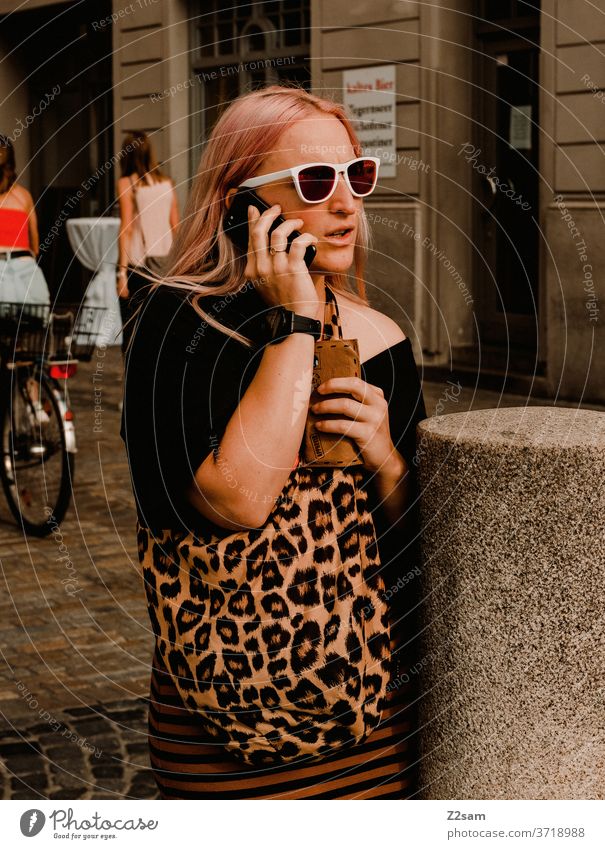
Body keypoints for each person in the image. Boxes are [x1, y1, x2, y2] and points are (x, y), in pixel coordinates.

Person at [120, 85, 427, 799]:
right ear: (240, 201)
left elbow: (416, 537)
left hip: (372, 722)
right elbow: (236, 497)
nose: (346, 203)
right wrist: (294, 322)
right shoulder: (175, 328)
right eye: (316, 182)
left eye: (358, 175)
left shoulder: (380, 337)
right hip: (220, 726)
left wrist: (382, 456)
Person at [115, 130, 179, 357]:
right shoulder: (167, 183)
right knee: (161, 325)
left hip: (138, 264)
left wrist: (121, 273)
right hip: (166, 264)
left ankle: (134, 378)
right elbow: (175, 226)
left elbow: (127, 227)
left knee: (132, 329)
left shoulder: (127, 183)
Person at [0, 134, 50, 422]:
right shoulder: (24, 196)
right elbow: (35, 243)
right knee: (30, 342)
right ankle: (34, 400)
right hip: (28, 278)